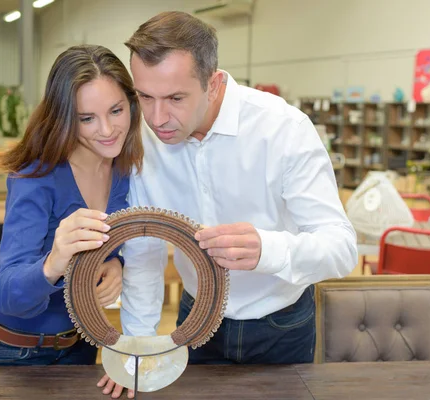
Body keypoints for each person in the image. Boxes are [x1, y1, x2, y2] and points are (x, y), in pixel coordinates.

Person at [98, 11, 357, 398]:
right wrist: (137, 347)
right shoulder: (144, 139)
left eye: (175, 98)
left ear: (214, 83)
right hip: (195, 321)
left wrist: (268, 249)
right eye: (145, 97)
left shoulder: (284, 130)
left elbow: (341, 248)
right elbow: (145, 250)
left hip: (280, 325)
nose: (156, 118)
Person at [0, 44, 143, 381]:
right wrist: (54, 262)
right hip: (17, 351)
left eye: (116, 111)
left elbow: (117, 243)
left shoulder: (125, 170)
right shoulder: (35, 177)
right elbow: (6, 295)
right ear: (64, 117)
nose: (107, 130)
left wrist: (116, 263)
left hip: (83, 342)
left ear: (132, 105)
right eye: (87, 118)